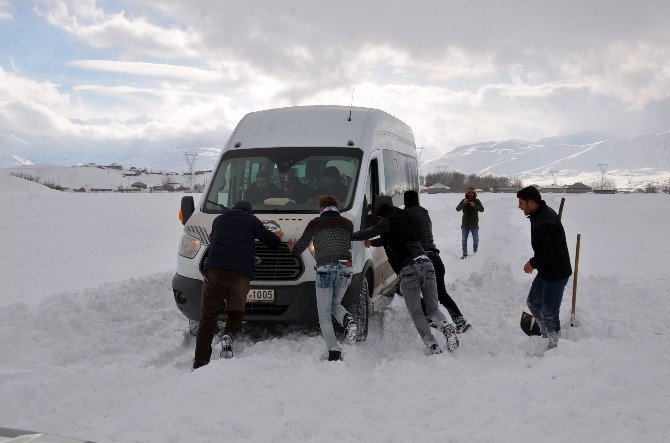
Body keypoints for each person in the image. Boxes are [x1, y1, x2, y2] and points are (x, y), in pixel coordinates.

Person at [351, 203, 459, 354]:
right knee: (433, 308)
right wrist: (373, 242)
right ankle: (447, 328)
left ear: (381, 217)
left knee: (416, 312)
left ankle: (432, 344)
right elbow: (391, 238)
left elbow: (368, 233)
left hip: (409, 269)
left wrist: (349, 235)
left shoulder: (387, 222)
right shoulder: (404, 222)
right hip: (427, 264)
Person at [193, 201, 284, 369]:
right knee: (236, 310)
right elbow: (272, 242)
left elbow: (214, 239)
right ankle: (228, 334)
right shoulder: (251, 220)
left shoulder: (219, 220)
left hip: (215, 271)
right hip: (239, 274)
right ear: (248, 211)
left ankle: (200, 362)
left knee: (207, 317)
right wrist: (277, 236)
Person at [287, 195, 357, 361]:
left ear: (320, 208)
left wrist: (292, 247)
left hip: (326, 268)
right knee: (335, 303)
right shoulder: (348, 223)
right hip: (346, 267)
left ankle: (334, 351)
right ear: (338, 208)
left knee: (324, 313)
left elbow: (299, 249)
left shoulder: (315, 223)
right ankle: (348, 319)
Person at [402, 190, 472, 333]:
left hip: (422, 260)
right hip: (436, 258)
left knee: (409, 290)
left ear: (406, 201)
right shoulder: (424, 212)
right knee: (441, 293)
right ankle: (460, 321)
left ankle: (429, 317)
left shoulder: (407, 214)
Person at [517, 186, 572, 349]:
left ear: (531, 203)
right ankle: (545, 331)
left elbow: (555, 251)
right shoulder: (538, 214)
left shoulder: (544, 221)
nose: (519, 207)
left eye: (521, 203)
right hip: (546, 270)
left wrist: (533, 263)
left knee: (550, 312)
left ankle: (555, 345)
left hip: (556, 273)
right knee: (533, 302)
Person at [456, 187, 484, 259]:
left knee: (476, 240)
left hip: (474, 224)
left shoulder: (477, 201)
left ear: (474, 194)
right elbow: (457, 209)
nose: (470, 194)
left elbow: (482, 209)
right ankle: (464, 253)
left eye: (472, 193)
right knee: (464, 239)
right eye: (469, 193)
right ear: (467, 194)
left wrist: (474, 205)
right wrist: (464, 203)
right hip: (465, 224)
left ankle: (475, 251)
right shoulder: (464, 200)